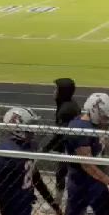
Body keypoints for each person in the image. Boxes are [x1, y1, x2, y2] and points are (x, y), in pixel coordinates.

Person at [0, 107, 61, 215]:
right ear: (17, 127)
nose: (33, 129)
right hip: (16, 208)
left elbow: (35, 176)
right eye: (30, 125)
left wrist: (52, 202)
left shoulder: (29, 146)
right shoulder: (8, 153)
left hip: (25, 203)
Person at [43, 78, 80, 206]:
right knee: (64, 173)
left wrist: (46, 148)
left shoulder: (66, 109)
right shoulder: (68, 104)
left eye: (57, 89)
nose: (54, 92)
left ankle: (60, 202)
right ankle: (59, 201)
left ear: (62, 92)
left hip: (70, 147)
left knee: (65, 174)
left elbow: (61, 133)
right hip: (71, 145)